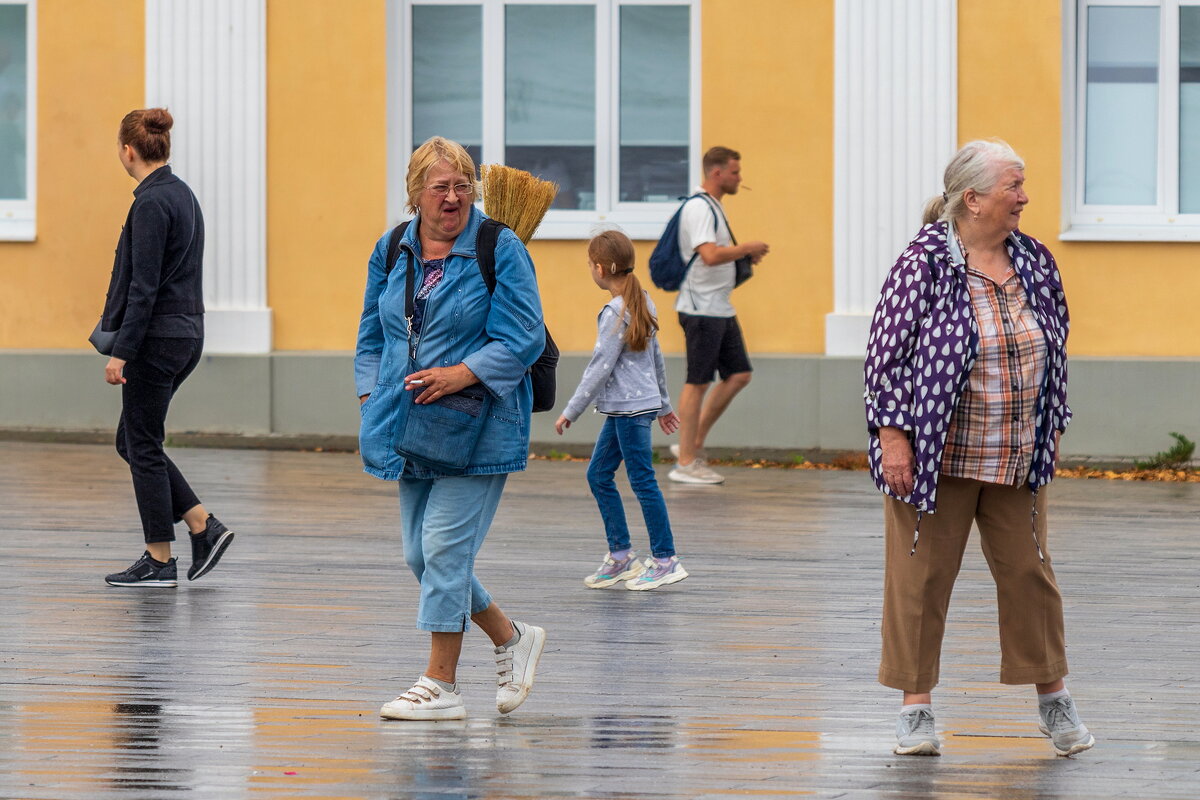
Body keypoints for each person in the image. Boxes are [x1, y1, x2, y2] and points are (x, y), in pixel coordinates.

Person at [863, 139, 1093, 758]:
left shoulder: (1036, 261)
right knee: (922, 580)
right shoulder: (925, 264)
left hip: (1018, 455)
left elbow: (1057, 342)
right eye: (1013, 186)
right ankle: (915, 711)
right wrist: (893, 438)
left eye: (1022, 185)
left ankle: (1054, 700)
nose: (1024, 197)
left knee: (1029, 574)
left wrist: (1055, 419)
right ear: (973, 199)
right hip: (938, 457)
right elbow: (886, 356)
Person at [356, 136, 547, 721]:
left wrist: (462, 373)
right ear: (415, 193)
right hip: (408, 422)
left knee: (443, 548)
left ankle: (441, 683)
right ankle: (512, 637)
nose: (453, 197)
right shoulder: (392, 248)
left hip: (480, 424)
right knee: (421, 555)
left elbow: (524, 336)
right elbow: (372, 332)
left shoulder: (500, 247)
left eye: (463, 185)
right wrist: (370, 393)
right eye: (439, 186)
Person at [100, 108, 236, 589]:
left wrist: (122, 351)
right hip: (182, 333)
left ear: (127, 150)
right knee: (133, 440)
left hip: (158, 338)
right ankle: (201, 522)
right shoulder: (182, 195)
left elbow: (144, 287)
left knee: (142, 442)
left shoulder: (152, 203)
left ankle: (160, 558)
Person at [554, 230, 686, 591]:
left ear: (599, 268)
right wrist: (663, 404)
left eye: (589, 265)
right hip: (631, 409)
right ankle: (621, 556)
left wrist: (571, 410)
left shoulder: (616, 310)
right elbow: (655, 359)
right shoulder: (642, 300)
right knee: (598, 475)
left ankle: (665, 559)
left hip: (629, 411)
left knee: (643, 481)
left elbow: (600, 366)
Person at [668, 146, 769, 485]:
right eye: (735, 172)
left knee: (739, 374)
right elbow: (709, 255)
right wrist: (747, 249)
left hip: (718, 307)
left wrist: (741, 257)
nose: (740, 178)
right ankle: (685, 462)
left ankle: (692, 444)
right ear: (717, 173)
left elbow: (714, 254)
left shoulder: (712, 207)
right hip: (700, 309)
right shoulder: (699, 208)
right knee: (696, 383)